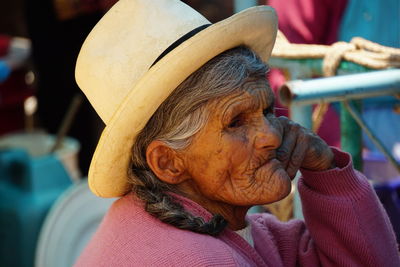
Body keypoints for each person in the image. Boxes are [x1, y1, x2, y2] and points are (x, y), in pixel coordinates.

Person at [74, 0, 400, 266]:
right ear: (168, 162)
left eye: (268, 111)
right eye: (236, 123)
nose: (271, 134)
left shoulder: (221, 227)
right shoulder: (194, 258)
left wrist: (326, 170)